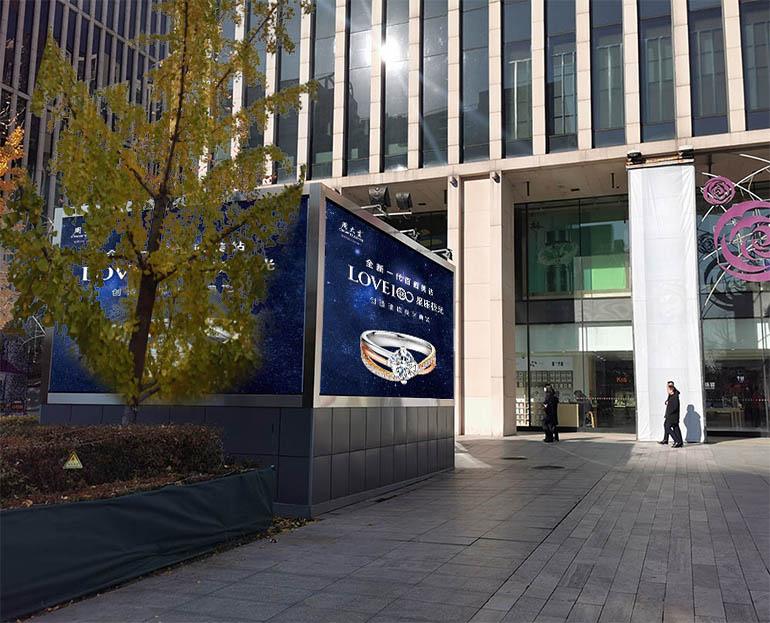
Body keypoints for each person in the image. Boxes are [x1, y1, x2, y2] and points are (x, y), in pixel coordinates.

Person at [661, 383, 683, 448]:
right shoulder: (671, 396)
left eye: (668, 390)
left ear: (671, 390)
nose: (667, 391)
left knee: (667, 427)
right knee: (675, 427)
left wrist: (669, 413)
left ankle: (676, 441)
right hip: (671, 415)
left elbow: (675, 407)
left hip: (672, 416)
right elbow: (668, 402)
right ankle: (679, 442)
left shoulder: (675, 397)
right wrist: (667, 402)